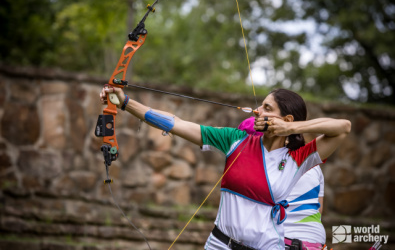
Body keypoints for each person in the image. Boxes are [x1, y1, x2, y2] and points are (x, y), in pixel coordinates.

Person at [99, 87, 351, 250]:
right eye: (260, 105)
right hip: (219, 244)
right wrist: (126, 103)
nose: (257, 110)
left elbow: (343, 127)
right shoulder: (235, 139)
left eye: (266, 108)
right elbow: (176, 123)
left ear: (285, 120)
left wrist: (292, 129)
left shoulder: (300, 158)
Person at [238, 117, 326, 250]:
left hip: (278, 241)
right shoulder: (313, 164)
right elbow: (319, 209)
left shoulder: (262, 164)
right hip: (315, 242)